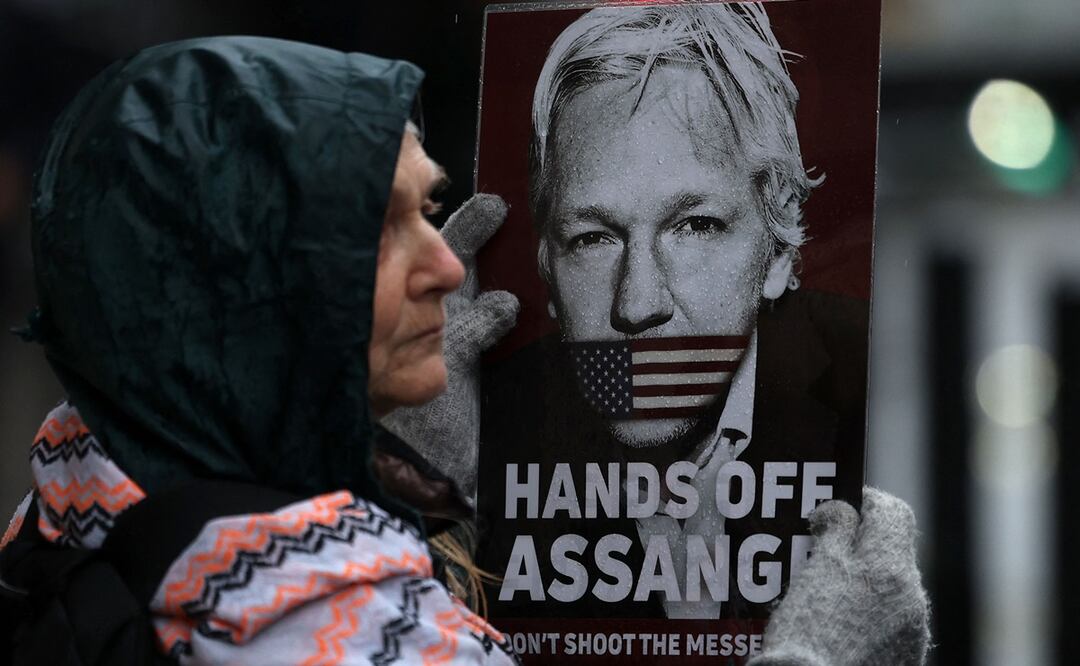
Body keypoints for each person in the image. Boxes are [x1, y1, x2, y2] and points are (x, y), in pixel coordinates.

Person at [0, 31, 926, 666]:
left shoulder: (77, 512)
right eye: (379, 230)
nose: (447, 266)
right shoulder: (328, 628)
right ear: (235, 285)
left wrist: (435, 495)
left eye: (427, 209)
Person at [474, 3, 870, 621]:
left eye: (694, 226)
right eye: (593, 238)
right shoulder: (480, 435)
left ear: (774, 252)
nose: (637, 303)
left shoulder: (867, 403)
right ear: (546, 265)